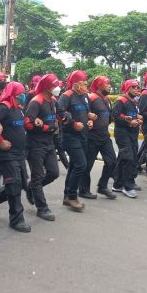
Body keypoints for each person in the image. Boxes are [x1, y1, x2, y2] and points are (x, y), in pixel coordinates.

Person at [0, 82, 32, 232]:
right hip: (7, 155)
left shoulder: (17, 108)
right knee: (15, 185)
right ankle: (16, 219)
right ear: (14, 94)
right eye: (20, 93)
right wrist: (0, 141)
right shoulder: (3, 107)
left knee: (22, 183)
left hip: (19, 153)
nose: (23, 95)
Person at [24, 74, 61, 221]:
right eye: (54, 85)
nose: (57, 88)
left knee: (53, 173)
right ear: (46, 87)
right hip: (35, 145)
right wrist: (45, 127)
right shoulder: (36, 101)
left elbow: (60, 115)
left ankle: (31, 187)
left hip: (49, 144)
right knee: (38, 176)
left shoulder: (52, 100)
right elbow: (27, 123)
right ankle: (42, 208)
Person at [57, 70, 91, 212]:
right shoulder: (66, 96)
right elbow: (59, 114)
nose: (85, 86)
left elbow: (85, 111)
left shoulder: (84, 96)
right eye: (83, 83)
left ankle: (66, 196)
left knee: (73, 166)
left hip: (83, 136)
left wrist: (90, 119)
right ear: (76, 84)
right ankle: (72, 196)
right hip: (70, 137)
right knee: (81, 165)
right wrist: (73, 123)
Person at [83, 76, 117, 199]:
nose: (109, 86)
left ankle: (102, 186)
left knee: (112, 161)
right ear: (99, 85)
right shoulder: (90, 98)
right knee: (87, 165)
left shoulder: (107, 99)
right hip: (92, 137)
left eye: (109, 84)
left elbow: (110, 116)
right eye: (107, 84)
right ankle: (83, 190)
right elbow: (83, 113)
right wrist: (88, 118)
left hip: (104, 136)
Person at [112, 79, 142, 198]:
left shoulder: (134, 102)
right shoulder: (121, 101)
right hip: (122, 133)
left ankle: (117, 184)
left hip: (132, 134)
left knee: (126, 158)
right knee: (128, 157)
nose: (136, 89)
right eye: (133, 87)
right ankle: (127, 186)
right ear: (127, 88)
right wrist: (129, 122)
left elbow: (134, 116)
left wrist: (138, 118)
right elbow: (114, 116)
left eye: (137, 87)